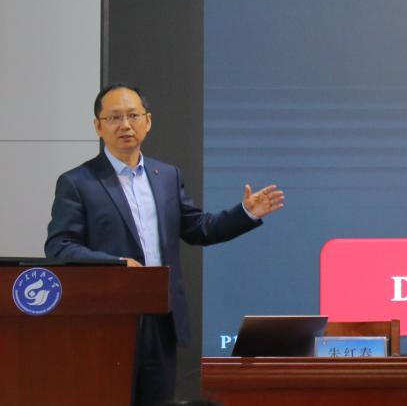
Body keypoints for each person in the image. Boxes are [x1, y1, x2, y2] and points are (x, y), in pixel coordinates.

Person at [45, 83, 285, 406]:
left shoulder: (166, 176)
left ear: (148, 121)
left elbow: (199, 228)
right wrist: (115, 265)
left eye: (133, 115)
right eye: (114, 117)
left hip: (161, 319)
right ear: (98, 126)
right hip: (108, 320)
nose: (125, 125)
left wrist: (245, 213)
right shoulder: (78, 182)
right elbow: (60, 246)